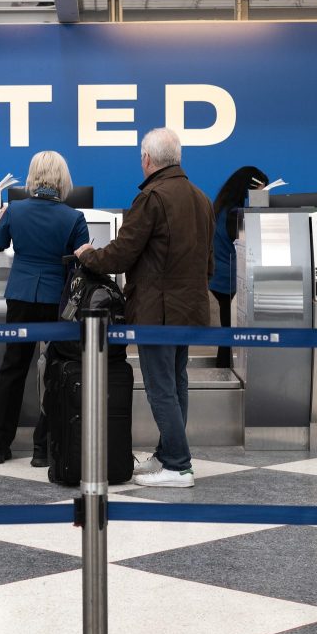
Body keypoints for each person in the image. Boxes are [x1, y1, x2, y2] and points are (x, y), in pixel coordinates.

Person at [75, 128, 213, 489]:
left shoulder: (152, 197)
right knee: (177, 381)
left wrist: (89, 256)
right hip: (189, 307)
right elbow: (208, 262)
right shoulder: (201, 198)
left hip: (158, 310)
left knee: (160, 386)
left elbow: (123, 252)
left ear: (147, 160)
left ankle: (179, 466)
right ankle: (169, 454)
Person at [0, 151, 91, 466]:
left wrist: (4, 217)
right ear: (62, 178)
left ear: (33, 176)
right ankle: (43, 448)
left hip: (19, 296)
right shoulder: (73, 218)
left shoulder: (16, 210)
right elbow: (81, 262)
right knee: (55, 369)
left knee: (12, 368)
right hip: (55, 300)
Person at [209, 166, 268, 368]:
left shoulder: (223, 208)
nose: (264, 194)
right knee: (228, 338)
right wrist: (261, 204)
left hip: (220, 280)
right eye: (261, 190)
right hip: (230, 283)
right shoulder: (236, 215)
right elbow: (254, 241)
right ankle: (226, 371)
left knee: (226, 338)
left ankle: (226, 368)